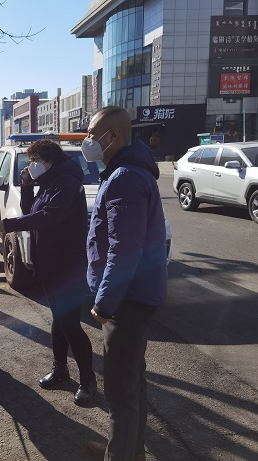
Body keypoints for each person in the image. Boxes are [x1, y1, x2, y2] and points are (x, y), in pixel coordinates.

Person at [82, 106, 167, 461]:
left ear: (113, 136)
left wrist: (105, 302)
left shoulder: (125, 178)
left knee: (120, 389)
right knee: (132, 380)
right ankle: (128, 449)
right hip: (134, 295)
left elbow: (124, 249)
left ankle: (121, 454)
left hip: (126, 300)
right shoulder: (125, 172)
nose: (88, 141)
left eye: (91, 134)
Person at [0, 139, 96, 406]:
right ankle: (60, 369)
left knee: (70, 324)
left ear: (50, 160)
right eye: (30, 160)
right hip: (49, 263)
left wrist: (8, 224)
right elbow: (31, 211)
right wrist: (27, 186)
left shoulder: (67, 182)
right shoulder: (48, 183)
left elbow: (50, 216)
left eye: (35, 160)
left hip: (67, 266)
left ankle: (88, 380)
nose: (31, 165)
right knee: (58, 319)